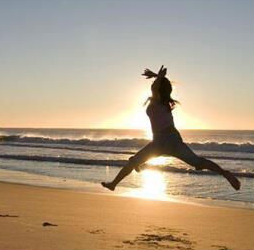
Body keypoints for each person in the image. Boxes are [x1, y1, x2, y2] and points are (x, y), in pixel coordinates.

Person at [101, 66, 241, 191]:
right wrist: (157, 76)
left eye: (155, 85)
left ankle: (115, 182)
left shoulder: (157, 101)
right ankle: (225, 174)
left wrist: (159, 77)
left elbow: (155, 87)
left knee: (133, 162)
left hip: (162, 141)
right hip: (169, 140)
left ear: (159, 89)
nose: (153, 86)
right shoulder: (162, 102)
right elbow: (157, 87)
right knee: (198, 163)